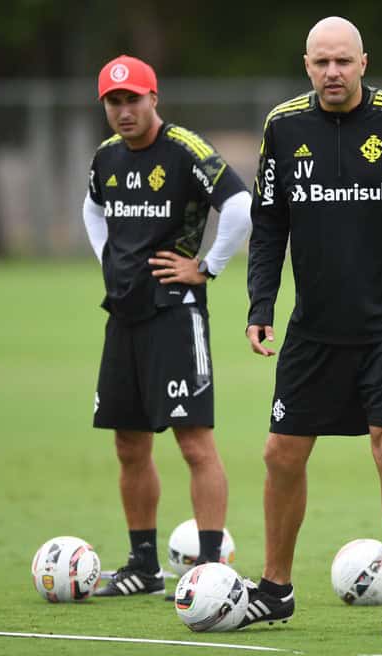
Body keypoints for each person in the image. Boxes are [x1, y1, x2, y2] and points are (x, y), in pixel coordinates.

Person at [239, 16, 382, 635]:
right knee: (281, 453)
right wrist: (261, 305)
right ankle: (276, 589)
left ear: (364, 62)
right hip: (315, 325)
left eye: (343, 61)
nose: (332, 73)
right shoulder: (283, 127)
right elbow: (268, 224)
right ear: (306, 65)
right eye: (320, 63)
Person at [82, 54, 252, 597]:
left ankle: (209, 568)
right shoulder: (106, 157)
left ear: (154, 98)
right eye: (114, 101)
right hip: (123, 316)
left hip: (175, 316)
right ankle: (142, 566)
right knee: (129, 445)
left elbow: (241, 206)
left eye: (133, 99)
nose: (124, 110)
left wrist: (206, 267)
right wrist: (109, 259)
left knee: (194, 443)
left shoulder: (185, 151)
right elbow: (91, 207)